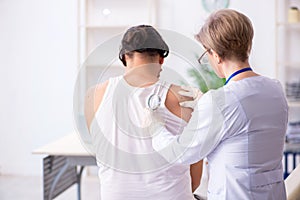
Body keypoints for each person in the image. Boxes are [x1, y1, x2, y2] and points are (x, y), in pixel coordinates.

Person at [152, 9, 288, 200]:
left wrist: (155, 128)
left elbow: (181, 154)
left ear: (215, 55)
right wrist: (204, 105)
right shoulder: (275, 89)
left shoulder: (220, 102)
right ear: (247, 45)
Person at [84, 25, 203, 200]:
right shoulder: (186, 98)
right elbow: (195, 180)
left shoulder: (93, 96)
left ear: (124, 57)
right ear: (161, 59)